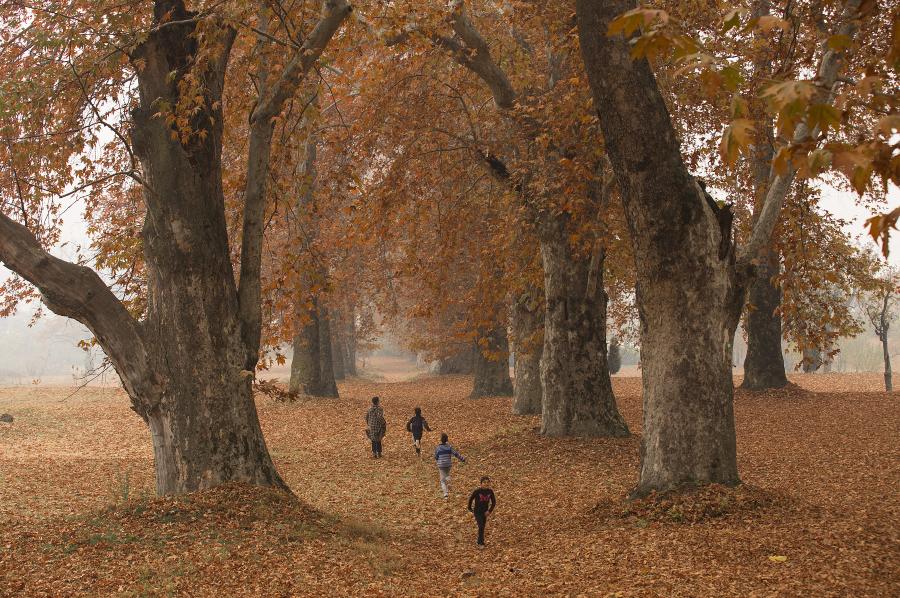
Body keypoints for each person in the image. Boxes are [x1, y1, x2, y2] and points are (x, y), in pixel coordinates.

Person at [433, 433, 465, 498]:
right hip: (448, 465)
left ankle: (445, 494)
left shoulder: (438, 448)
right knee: (447, 474)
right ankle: (449, 481)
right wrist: (462, 459)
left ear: (440, 440)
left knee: (442, 480)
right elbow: (456, 454)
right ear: (447, 440)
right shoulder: (449, 447)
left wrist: (438, 459)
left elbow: (436, 457)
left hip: (441, 465)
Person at [467, 476, 496, 547]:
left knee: (482, 526)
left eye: (487, 482)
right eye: (484, 482)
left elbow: (494, 502)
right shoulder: (477, 491)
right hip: (477, 512)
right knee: (481, 526)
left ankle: (479, 540)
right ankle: (481, 542)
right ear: (481, 484)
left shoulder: (490, 491)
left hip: (485, 512)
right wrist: (470, 509)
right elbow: (471, 499)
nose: (486, 484)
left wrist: (489, 511)